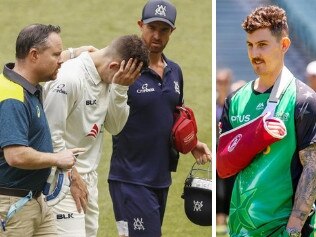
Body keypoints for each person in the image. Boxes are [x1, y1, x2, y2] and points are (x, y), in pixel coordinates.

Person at [108, 1, 211, 236]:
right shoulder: (124, 70)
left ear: (172, 31)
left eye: (163, 30)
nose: (156, 35)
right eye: (151, 27)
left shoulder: (175, 71)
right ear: (140, 25)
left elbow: (175, 114)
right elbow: (109, 118)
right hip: (130, 179)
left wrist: (193, 143)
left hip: (160, 178)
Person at [217, 5, 316, 236]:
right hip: (240, 229)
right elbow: (225, 167)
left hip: (285, 230)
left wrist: (292, 229)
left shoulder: (304, 101)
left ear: (284, 45)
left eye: (262, 45)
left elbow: (312, 170)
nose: (254, 54)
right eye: (250, 45)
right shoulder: (235, 100)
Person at [43, 34, 149, 237]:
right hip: (62, 178)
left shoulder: (112, 79)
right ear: (114, 66)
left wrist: (120, 88)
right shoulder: (69, 79)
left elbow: (115, 127)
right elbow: (49, 134)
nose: (128, 82)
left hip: (88, 179)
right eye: (127, 78)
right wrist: (72, 176)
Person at [0, 24, 83, 236]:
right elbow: (15, 155)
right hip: (13, 205)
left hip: (36, 201)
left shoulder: (27, 85)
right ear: (34, 55)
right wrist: (57, 159)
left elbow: (57, 55)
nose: (61, 60)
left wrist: (76, 52)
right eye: (56, 55)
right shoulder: (13, 98)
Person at [215, 68, 234, 236]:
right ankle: (218, 220)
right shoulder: (214, 103)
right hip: (217, 150)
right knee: (217, 186)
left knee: (230, 185)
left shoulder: (234, 101)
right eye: (218, 82)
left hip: (231, 152)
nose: (221, 85)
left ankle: (229, 220)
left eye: (223, 82)